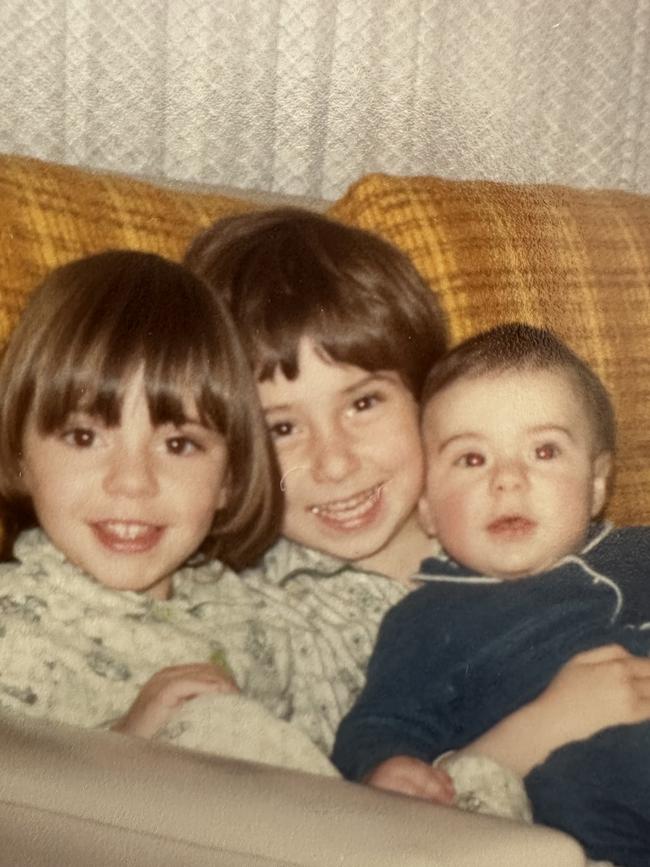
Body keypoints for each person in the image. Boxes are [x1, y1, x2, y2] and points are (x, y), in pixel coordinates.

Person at [185, 210, 650, 794]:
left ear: (426, 394)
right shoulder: (274, 631)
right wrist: (538, 733)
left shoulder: (546, 518)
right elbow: (355, 819)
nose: (335, 461)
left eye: (362, 404)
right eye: (281, 429)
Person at [331, 323, 650, 865]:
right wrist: (383, 765)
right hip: (586, 812)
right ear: (427, 507)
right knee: (574, 788)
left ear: (596, 484)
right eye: (472, 460)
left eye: (544, 451)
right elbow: (381, 722)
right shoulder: (427, 619)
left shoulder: (635, 552)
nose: (507, 480)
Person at [0, 250, 285, 741]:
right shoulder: (13, 626)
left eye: (179, 445)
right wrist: (124, 744)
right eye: (84, 437)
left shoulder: (260, 621)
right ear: (19, 454)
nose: (132, 482)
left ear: (230, 479)